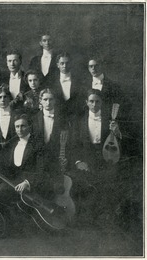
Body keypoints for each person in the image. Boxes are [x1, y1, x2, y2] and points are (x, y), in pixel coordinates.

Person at [71, 89, 122, 227]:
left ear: (102, 102)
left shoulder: (109, 120)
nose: (94, 104)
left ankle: (105, 218)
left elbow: (118, 143)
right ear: (86, 102)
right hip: (86, 159)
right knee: (86, 186)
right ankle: (88, 219)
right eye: (91, 101)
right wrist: (78, 161)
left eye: (97, 101)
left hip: (106, 158)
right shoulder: (80, 121)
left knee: (107, 185)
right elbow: (74, 144)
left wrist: (117, 131)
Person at [32, 88, 69, 181]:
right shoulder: (34, 118)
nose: (48, 102)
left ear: (55, 100)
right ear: (40, 101)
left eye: (51, 99)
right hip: (39, 160)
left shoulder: (63, 119)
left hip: (57, 159)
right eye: (45, 99)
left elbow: (68, 140)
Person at [50, 52, 85, 119]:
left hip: (76, 118)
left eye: (67, 63)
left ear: (71, 64)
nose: (65, 66)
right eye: (62, 63)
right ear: (58, 65)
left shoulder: (79, 81)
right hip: (58, 117)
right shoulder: (52, 82)